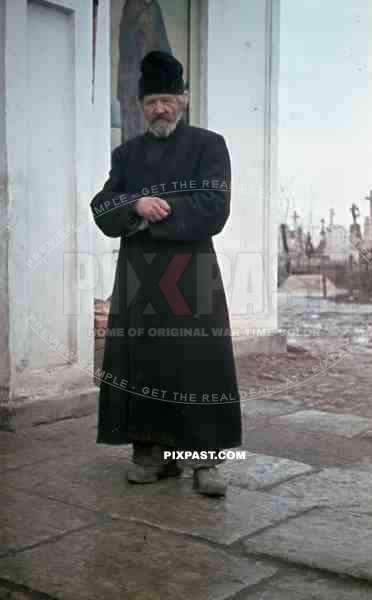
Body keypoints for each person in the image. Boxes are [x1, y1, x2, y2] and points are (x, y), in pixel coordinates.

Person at [90, 51, 242, 497]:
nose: (160, 108)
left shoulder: (209, 146)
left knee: (199, 367)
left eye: (168, 98)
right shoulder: (126, 155)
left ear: (185, 99)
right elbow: (103, 204)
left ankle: (206, 462)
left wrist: (167, 207)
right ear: (141, 106)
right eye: (152, 100)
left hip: (192, 274)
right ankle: (151, 454)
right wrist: (134, 204)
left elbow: (216, 208)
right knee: (145, 364)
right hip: (140, 277)